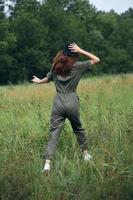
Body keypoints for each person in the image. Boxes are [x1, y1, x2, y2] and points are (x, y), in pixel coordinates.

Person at [31, 43, 100, 173]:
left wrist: (39, 81)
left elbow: (48, 78)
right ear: (74, 56)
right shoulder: (77, 67)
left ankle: (47, 164)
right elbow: (97, 59)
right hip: (72, 101)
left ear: (63, 54)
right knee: (78, 129)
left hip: (58, 103)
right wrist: (81, 49)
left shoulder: (56, 67)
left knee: (54, 134)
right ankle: (85, 155)